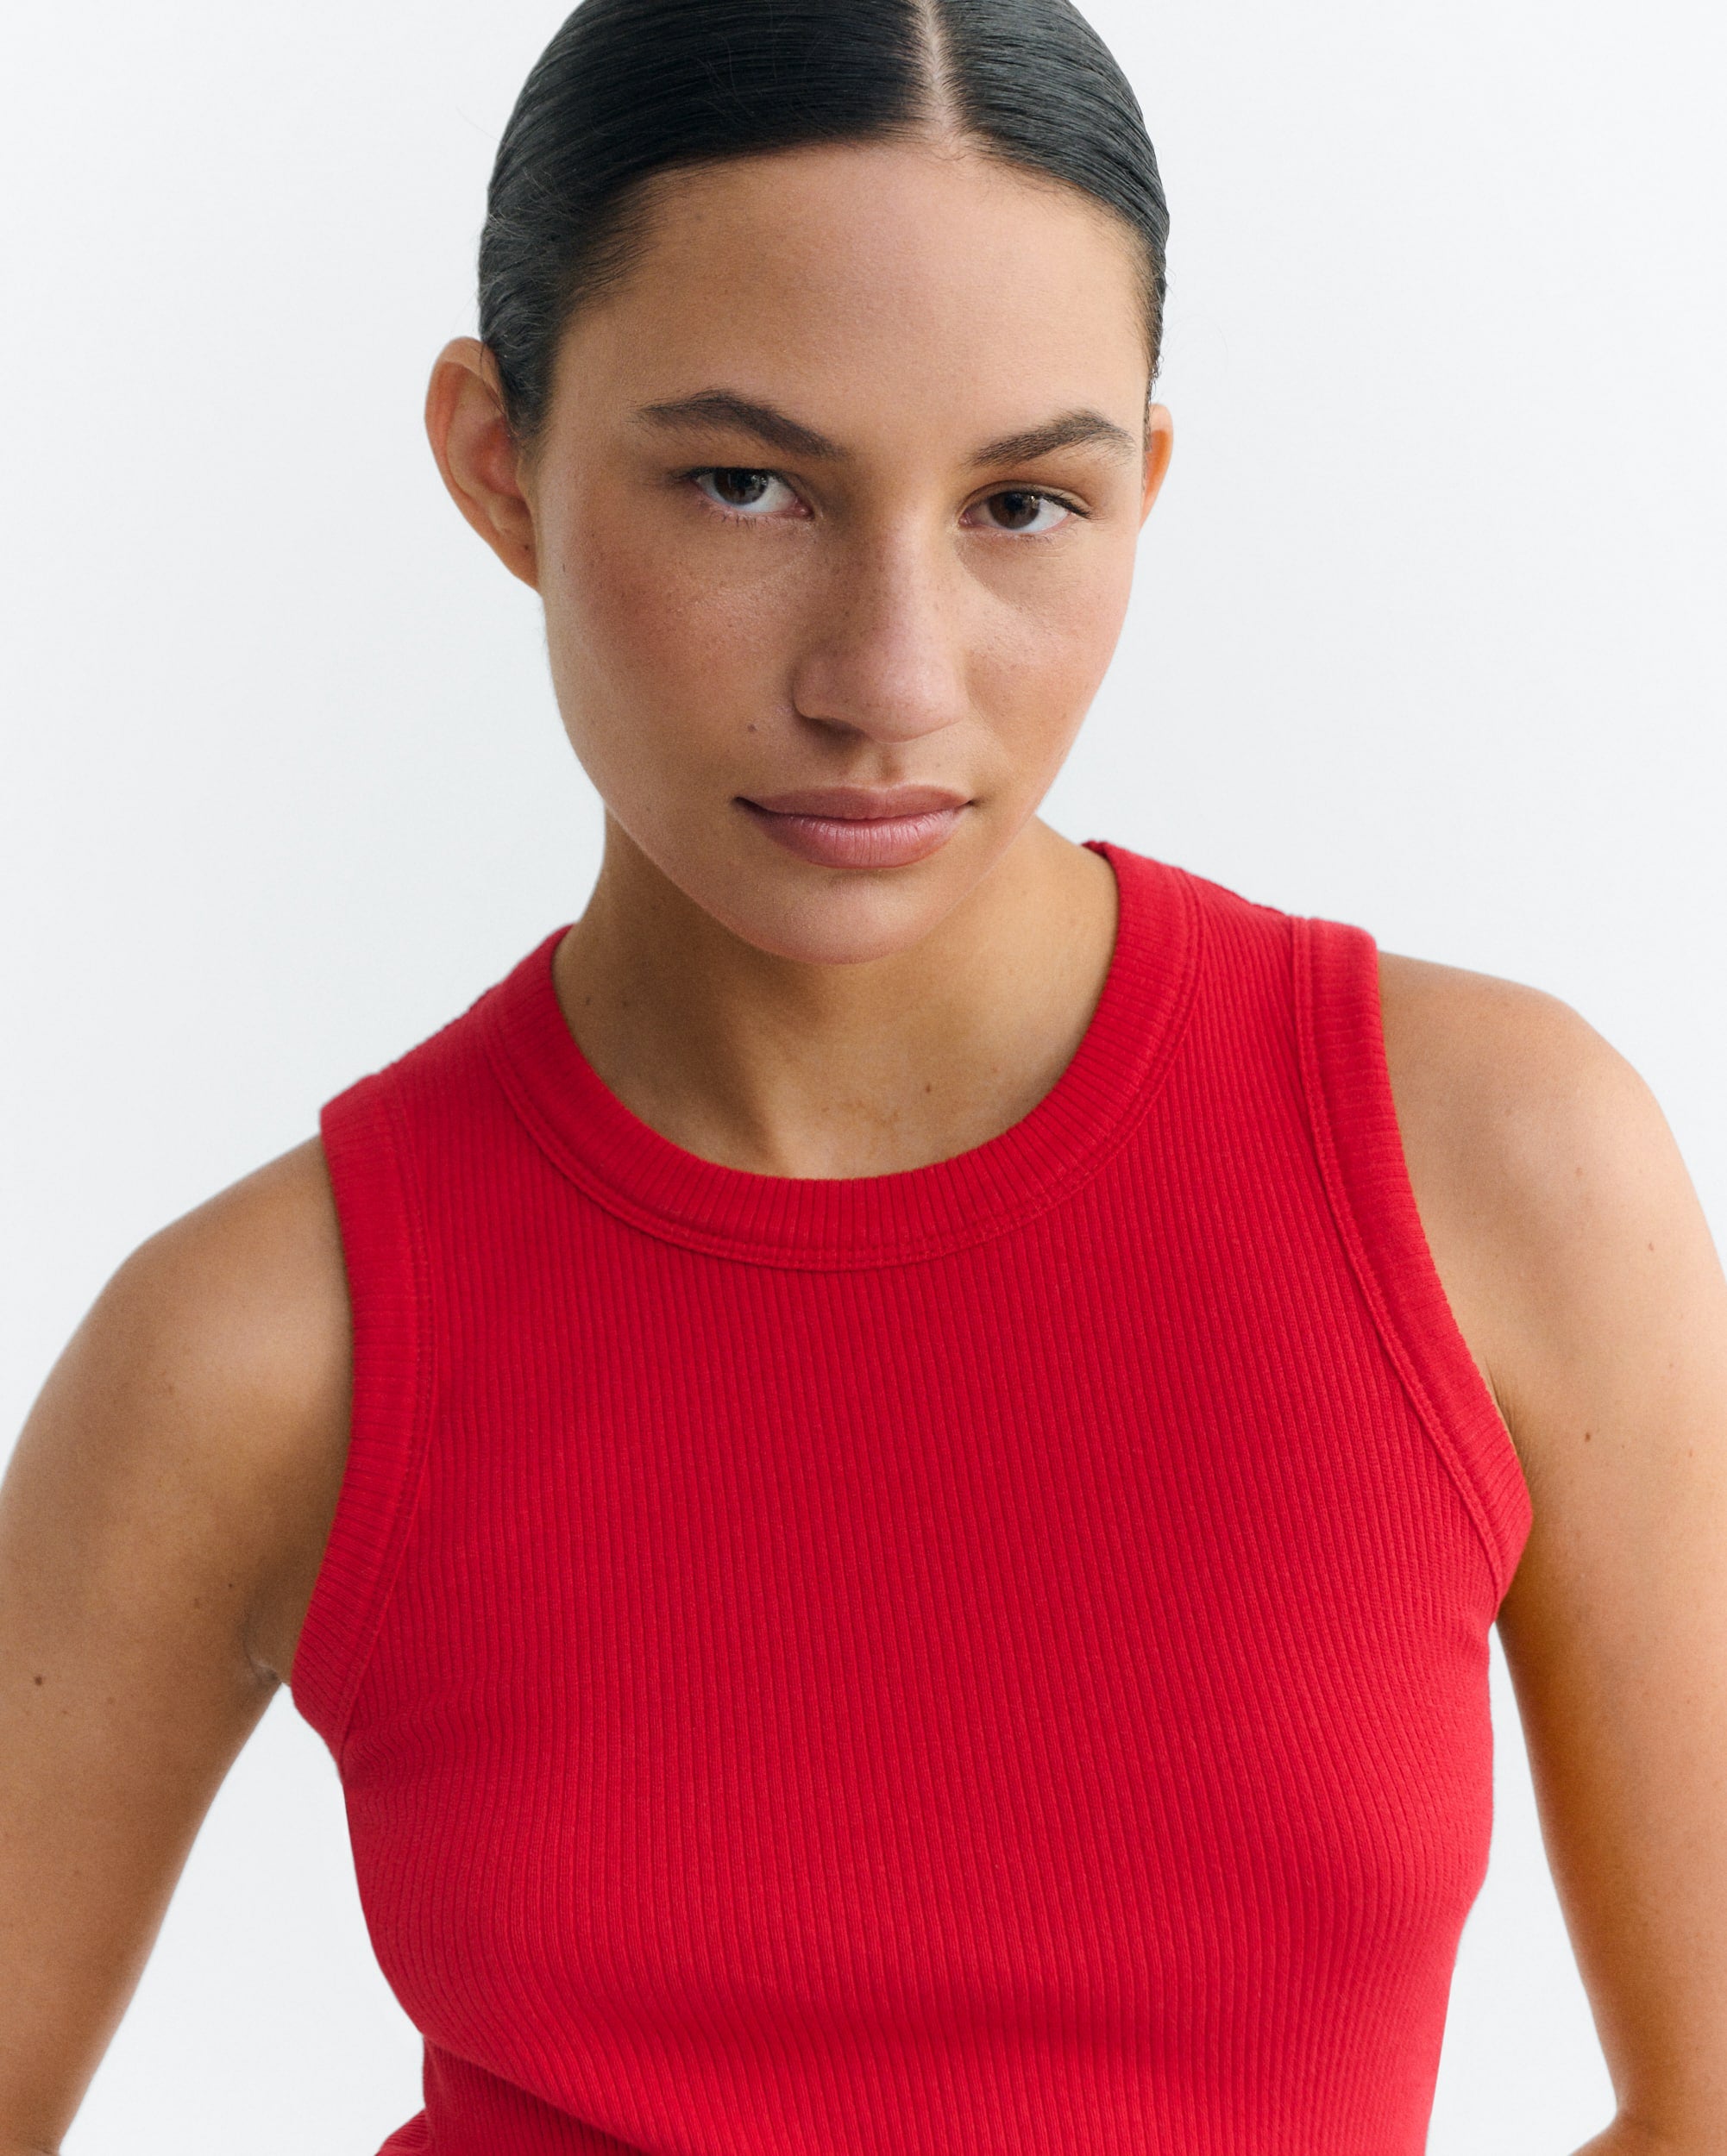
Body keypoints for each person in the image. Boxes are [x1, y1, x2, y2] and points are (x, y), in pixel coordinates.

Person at [3, 0, 1724, 2148]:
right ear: (497, 459)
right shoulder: (265, 1346)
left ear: (1142, 489)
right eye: (746, 484)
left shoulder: (1497, 1171)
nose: (887, 677)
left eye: (1020, 502)